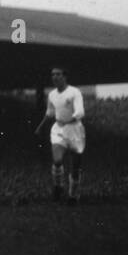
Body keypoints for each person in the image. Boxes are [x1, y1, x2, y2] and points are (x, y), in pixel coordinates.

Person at [40, 66, 86, 203]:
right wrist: (40, 126)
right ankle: (58, 186)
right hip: (58, 130)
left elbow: (80, 112)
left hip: (75, 130)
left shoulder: (74, 92)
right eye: (53, 74)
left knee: (75, 167)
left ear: (64, 76)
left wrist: (70, 119)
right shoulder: (52, 95)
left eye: (58, 74)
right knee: (57, 160)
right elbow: (49, 113)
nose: (55, 77)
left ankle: (73, 195)